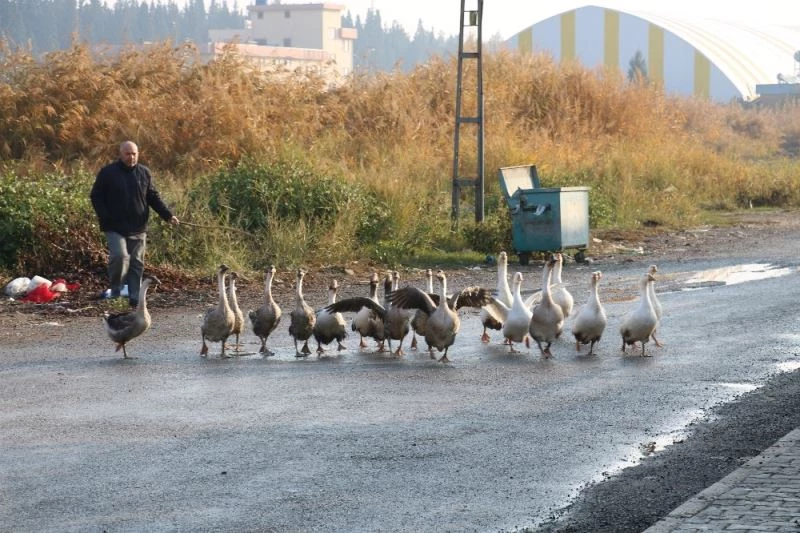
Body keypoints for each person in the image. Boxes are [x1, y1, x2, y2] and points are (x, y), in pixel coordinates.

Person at [90, 141, 179, 308]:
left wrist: (167, 215)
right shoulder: (108, 173)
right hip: (114, 227)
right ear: (120, 154)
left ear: (138, 154)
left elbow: (152, 197)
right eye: (127, 154)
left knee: (136, 262)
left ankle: (134, 296)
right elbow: (96, 196)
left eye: (134, 154)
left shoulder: (144, 172)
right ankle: (116, 290)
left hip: (138, 226)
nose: (131, 157)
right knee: (120, 257)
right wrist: (105, 216)